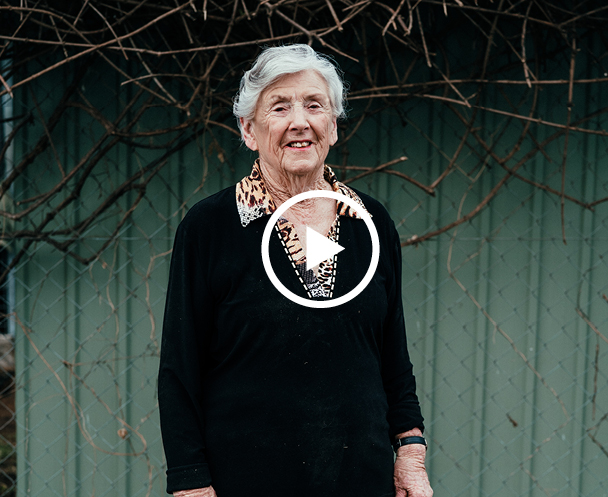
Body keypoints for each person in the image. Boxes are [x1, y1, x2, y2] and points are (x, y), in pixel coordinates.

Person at [158, 44, 433, 497]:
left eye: (314, 105)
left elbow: (392, 356)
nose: (300, 121)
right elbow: (179, 370)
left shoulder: (370, 222)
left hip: (360, 479)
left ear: (333, 126)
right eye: (280, 107)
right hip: (246, 481)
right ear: (249, 130)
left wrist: (410, 453)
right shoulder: (210, 227)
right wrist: (191, 484)